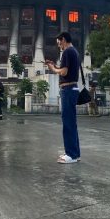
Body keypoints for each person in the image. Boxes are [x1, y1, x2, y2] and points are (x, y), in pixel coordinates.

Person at [45, 32, 80, 163]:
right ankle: (75, 153)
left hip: (68, 89)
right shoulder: (74, 51)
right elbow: (67, 70)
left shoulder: (66, 52)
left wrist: (53, 68)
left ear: (63, 40)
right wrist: (56, 66)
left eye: (59, 42)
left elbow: (64, 72)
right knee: (72, 122)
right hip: (73, 88)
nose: (59, 45)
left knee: (68, 123)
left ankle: (70, 155)